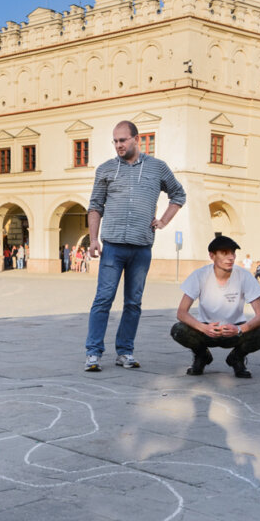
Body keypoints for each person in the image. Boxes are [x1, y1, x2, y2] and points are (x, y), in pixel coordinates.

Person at [84, 120, 187, 371]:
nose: (118, 145)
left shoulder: (157, 168)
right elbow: (95, 206)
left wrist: (163, 220)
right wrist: (93, 239)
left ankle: (125, 352)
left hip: (141, 247)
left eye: (123, 140)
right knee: (103, 299)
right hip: (113, 247)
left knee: (133, 302)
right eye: (115, 141)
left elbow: (178, 194)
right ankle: (93, 353)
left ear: (136, 140)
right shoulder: (106, 169)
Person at [171, 236, 260, 378]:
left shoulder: (244, 276)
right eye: (224, 253)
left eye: (233, 253)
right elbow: (181, 312)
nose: (230, 257)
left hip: (235, 330)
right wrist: (204, 328)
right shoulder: (200, 275)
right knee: (178, 330)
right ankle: (202, 355)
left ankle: (237, 357)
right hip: (207, 330)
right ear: (212, 256)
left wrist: (239, 329)